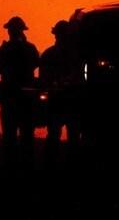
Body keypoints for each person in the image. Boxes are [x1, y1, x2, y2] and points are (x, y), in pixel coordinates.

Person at [0, 15, 39, 168]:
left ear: (9, 31)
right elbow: (35, 64)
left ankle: (11, 169)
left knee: (9, 137)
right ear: (22, 31)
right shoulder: (30, 48)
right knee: (27, 137)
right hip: (25, 98)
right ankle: (26, 168)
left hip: (10, 97)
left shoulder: (4, 50)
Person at [38, 20, 79, 167]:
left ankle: (51, 166)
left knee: (55, 135)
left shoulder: (49, 54)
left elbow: (42, 81)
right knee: (72, 136)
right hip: (69, 101)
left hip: (58, 101)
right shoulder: (77, 56)